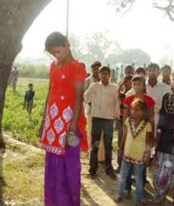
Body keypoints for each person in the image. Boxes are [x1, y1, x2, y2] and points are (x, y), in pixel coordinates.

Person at [39, 32, 88, 206]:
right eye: (53, 54)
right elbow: (50, 92)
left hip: (69, 123)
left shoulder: (78, 67)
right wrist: (44, 120)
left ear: (67, 44)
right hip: (53, 123)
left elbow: (78, 98)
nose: (56, 56)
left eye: (58, 51)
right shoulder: (53, 66)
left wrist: (73, 125)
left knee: (70, 167)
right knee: (52, 166)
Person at [84, 66, 120, 179]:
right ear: (99, 75)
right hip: (97, 118)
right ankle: (92, 169)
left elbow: (116, 102)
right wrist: (91, 102)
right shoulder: (94, 86)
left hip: (109, 119)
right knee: (95, 145)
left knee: (108, 145)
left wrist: (116, 115)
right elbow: (85, 96)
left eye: (106, 73)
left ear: (109, 75)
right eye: (102, 73)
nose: (104, 75)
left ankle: (109, 169)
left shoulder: (114, 87)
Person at [115, 99, 152, 205]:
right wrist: (120, 148)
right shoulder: (128, 121)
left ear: (143, 111)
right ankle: (120, 194)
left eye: (136, 110)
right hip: (127, 154)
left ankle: (138, 198)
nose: (133, 112)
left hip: (140, 156)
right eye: (132, 109)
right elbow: (125, 136)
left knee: (139, 179)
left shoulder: (147, 125)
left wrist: (147, 156)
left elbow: (148, 142)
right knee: (123, 176)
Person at [150, 89, 174, 204]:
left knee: (168, 172)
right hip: (163, 140)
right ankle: (159, 196)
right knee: (158, 169)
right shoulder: (167, 96)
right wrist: (157, 137)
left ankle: (161, 197)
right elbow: (162, 118)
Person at [84, 61, 105, 161]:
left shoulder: (104, 80)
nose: (96, 71)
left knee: (101, 134)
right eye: (94, 68)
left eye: (98, 69)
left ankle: (101, 157)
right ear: (91, 69)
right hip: (91, 110)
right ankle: (92, 155)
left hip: (103, 111)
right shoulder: (88, 80)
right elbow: (84, 96)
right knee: (91, 132)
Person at [117, 75, 133, 171]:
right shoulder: (123, 94)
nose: (128, 83)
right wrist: (121, 84)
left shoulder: (132, 94)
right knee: (121, 141)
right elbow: (117, 94)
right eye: (126, 81)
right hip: (121, 118)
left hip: (130, 119)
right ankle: (120, 164)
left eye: (129, 81)